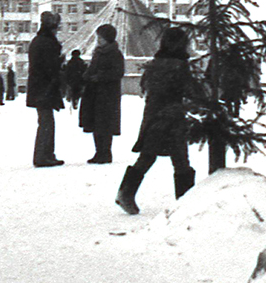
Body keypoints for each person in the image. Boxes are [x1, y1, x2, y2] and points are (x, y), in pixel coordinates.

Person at [116, 26, 196, 213]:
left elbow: (145, 87)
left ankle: (126, 193)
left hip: (153, 116)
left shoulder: (155, 63)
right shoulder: (179, 65)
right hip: (173, 118)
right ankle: (185, 204)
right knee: (180, 160)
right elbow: (191, 91)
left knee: (149, 156)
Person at [80, 23, 124, 164]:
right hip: (94, 92)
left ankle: (105, 153)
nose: (98, 40)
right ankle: (99, 152)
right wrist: (85, 76)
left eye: (100, 37)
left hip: (107, 94)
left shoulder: (115, 53)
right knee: (96, 123)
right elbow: (92, 68)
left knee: (104, 124)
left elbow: (118, 72)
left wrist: (100, 77)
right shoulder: (98, 52)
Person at [28, 11, 65, 167]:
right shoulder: (48, 43)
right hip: (46, 88)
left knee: (45, 122)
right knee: (46, 123)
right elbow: (50, 68)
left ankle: (46, 155)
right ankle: (43, 156)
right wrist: (60, 62)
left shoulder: (37, 41)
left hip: (38, 88)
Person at [63, 48, 87, 113]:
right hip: (79, 80)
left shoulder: (70, 62)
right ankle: (76, 102)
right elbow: (84, 71)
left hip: (72, 81)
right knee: (78, 93)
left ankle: (73, 101)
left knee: (73, 92)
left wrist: (67, 80)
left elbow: (67, 72)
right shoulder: (81, 62)